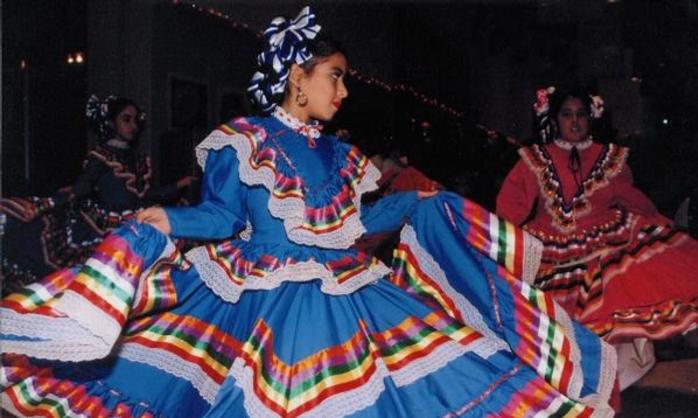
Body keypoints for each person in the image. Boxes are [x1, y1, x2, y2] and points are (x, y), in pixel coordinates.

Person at [1, 9, 616, 417]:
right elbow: (222, 219)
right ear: (297, 76)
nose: (343, 92)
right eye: (335, 77)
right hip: (263, 294)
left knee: (421, 377)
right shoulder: (242, 140)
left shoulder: (342, 155)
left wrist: (416, 202)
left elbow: (355, 222)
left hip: (347, 285)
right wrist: (167, 222)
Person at [496, 86, 698, 389]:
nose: (574, 122)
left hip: (602, 245)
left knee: (607, 310)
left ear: (591, 118)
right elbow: (509, 208)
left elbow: (634, 200)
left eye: (581, 114)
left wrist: (662, 230)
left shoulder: (608, 158)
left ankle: (603, 387)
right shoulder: (533, 159)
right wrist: (493, 241)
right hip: (548, 250)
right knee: (555, 324)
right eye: (566, 114)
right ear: (554, 118)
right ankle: (569, 387)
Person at [0, 95, 196, 294]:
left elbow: (145, 196)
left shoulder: (139, 159)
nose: (133, 125)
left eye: (136, 120)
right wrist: (45, 205)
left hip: (137, 222)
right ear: (111, 122)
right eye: (126, 119)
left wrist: (178, 184)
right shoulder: (101, 156)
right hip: (105, 227)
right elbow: (80, 189)